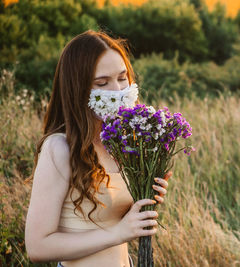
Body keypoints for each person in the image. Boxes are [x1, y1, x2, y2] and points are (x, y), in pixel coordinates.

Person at [24, 29, 171, 266]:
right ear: (77, 89)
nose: (117, 90)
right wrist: (118, 233)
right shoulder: (59, 148)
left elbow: (113, 218)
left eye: (123, 78)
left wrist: (145, 198)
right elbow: (37, 246)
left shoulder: (125, 142)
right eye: (102, 82)